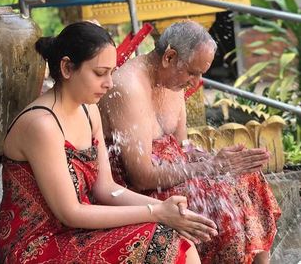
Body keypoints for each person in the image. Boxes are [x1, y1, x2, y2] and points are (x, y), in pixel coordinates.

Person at [0, 21, 219, 263]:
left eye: (112, 73)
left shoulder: (89, 111)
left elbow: (105, 189)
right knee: (164, 243)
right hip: (39, 245)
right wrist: (156, 212)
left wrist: (166, 208)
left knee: (179, 240)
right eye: (100, 73)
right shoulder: (41, 125)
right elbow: (71, 212)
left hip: (75, 232)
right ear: (67, 67)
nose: (110, 83)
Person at [99, 20, 281, 264]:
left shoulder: (173, 81)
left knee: (248, 177)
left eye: (201, 74)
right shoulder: (129, 86)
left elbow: (183, 148)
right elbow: (140, 177)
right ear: (169, 57)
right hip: (139, 191)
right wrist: (209, 168)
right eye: (193, 72)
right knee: (224, 196)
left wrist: (217, 159)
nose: (196, 83)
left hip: (174, 175)